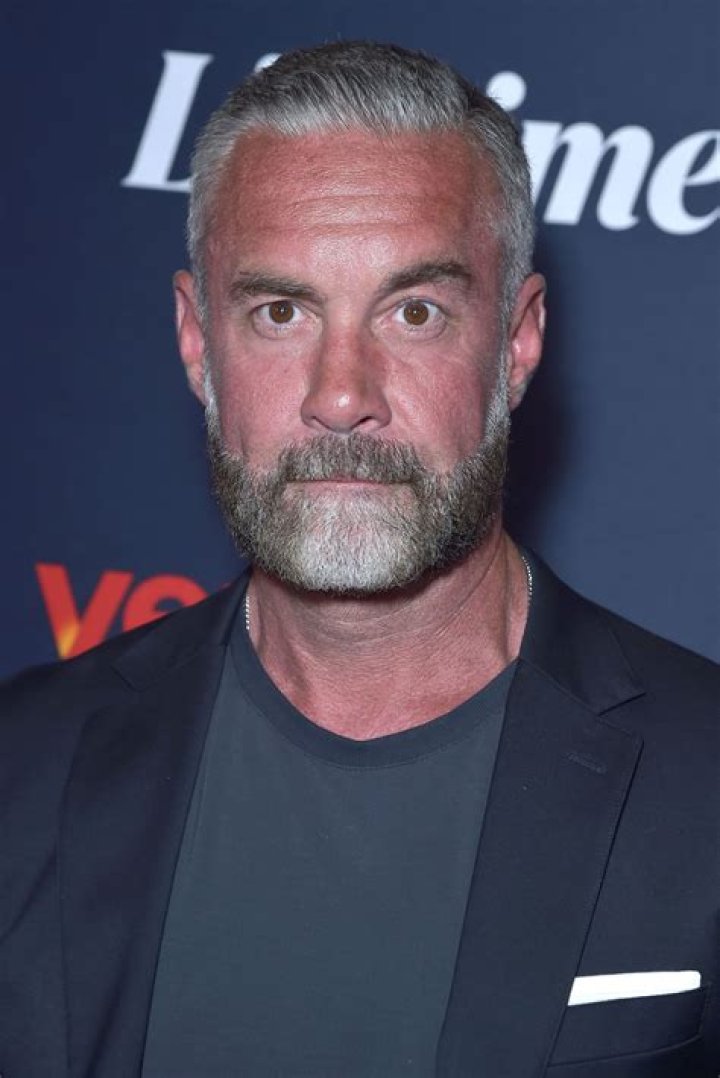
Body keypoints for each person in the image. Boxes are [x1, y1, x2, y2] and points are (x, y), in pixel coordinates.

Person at [1, 41, 719, 1078]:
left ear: (516, 343)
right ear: (197, 342)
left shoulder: (704, 780)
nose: (342, 395)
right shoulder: (24, 767)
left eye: (414, 312)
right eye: (280, 312)